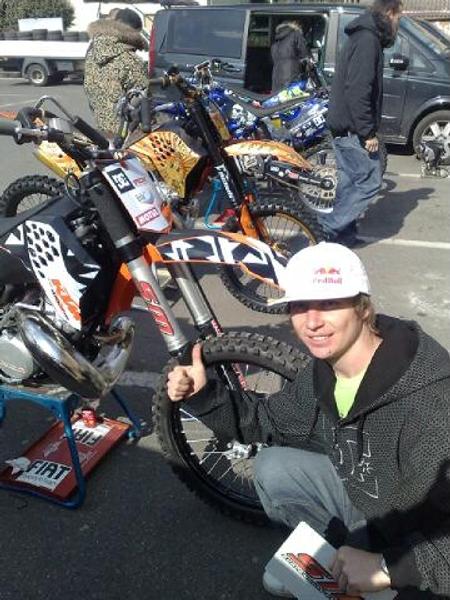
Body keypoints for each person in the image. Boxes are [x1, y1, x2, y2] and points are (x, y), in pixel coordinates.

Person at [167, 242, 450, 599]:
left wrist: (388, 568)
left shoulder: (431, 405)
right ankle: (338, 563)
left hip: (426, 543)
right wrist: (204, 396)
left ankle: (372, 577)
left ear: (363, 307)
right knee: (273, 467)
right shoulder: (328, 368)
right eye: (300, 305)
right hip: (374, 501)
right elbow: (267, 421)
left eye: (329, 304)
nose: (312, 322)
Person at [320, 0, 403, 247]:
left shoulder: (363, 36)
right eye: (399, 16)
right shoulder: (367, 40)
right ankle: (327, 228)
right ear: (389, 13)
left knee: (349, 182)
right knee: (370, 182)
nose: (399, 22)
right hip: (352, 128)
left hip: (344, 125)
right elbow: (358, 90)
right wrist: (367, 132)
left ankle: (342, 238)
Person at [84, 8, 149, 136]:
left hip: (102, 127)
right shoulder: (130, 61)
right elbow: (143, 99)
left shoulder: (92, 50)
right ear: (133, 31)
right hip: (125, 133)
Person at [270, 20, 309, 92]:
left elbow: (273, 57)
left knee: (277, 95)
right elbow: (304, 53)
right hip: (291, 72)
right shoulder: (296, 34)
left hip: (276, 74)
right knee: (291, 96)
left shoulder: (276, 38)